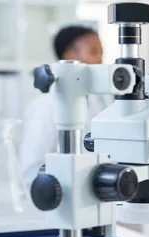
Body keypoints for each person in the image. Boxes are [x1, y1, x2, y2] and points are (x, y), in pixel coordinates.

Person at [19, 25, 111, 188]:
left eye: (101, 53)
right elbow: (31, 169)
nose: (100, 60)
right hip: (61, 194)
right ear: (69, 56)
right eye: (94, 52)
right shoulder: (47, 105)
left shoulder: (99, 97)